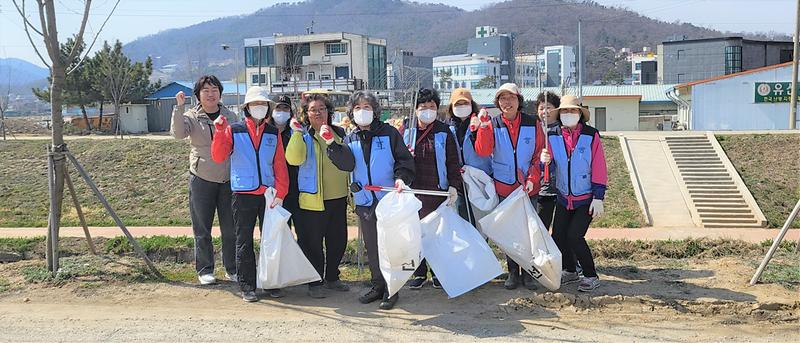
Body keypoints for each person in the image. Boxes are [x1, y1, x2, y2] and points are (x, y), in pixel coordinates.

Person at [327, 90, 415, 310]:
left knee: (389, 246)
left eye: (366, 107)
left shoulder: (389, 134)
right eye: (357, 108)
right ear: (351, 113)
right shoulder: (351, 138)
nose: (362, 111)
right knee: (373, 246)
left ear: (375, 111)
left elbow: (403, 160)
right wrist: (331, 145)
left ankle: (391, 289)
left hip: (388, 199)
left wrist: (401, 178)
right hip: (365, 201)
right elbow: (346, 164)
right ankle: (377, 285)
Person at [210, 86, 289, 302]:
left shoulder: (273, 133)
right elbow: (218, 156)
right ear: (247, 107)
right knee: (243, 240)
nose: (259, 107)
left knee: (271, 240)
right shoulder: (233, 130)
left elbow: (279, 164)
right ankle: (247, 286)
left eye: (263, 104)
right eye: (255, 104)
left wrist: (281, 192)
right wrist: (219, 133)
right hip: (243, 193)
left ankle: (271, 283)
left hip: (269, 194)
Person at [474, 83, 545, 291]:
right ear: (498, 102)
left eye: (511, 98)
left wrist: (533, 177)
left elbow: (539, 155)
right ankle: (513, 272)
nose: (507, 102)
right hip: (504, 188)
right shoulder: (493, 124)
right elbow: (483, 151)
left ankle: (529, 272)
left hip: (528, 188)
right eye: (502, 98)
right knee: (510, 233)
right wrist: (483, 127)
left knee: (529, 232)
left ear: (518, 100)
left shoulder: (533, 123)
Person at [170, 75, 238, 286]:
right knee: (202, 227)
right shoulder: (191, 116)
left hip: (228, 178)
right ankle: (205, 269)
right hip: (201, 177)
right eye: (206, 90)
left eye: (214, 90)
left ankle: (232, 268)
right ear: (198, 95)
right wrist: (179, 108)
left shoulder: (231, 116)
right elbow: (178, 134)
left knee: (230, 228)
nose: (210, 94)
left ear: (220, 93)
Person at [285, 93, 351, 299]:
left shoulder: (340, 133)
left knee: (338, 241)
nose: (318, 113)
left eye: (322, 108)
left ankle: (332, 277)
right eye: (313, 109)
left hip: (338, 198)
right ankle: (314, 281)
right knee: (312, 243)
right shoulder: (303, 135)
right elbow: (294, 159)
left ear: (328, 111)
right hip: (312, 200)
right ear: (306, 114)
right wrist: (297, 133)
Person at [540, 95, 608, 292]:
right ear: (559, 114)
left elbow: (599, 165)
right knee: (558, 236)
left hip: (586, 198)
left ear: (580, 113)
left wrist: (598, 196)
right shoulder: (552, 135)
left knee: (575, 236)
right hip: (563, 197)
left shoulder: (591, 135)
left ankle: (591, 275)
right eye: (565, 111)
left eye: (573, 110)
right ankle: (570, 270)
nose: (568, 114)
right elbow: (549, 168)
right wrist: (544, 162)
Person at [401, 88, 463, 290]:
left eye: (432, 106)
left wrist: (453, 185)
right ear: (415, 109)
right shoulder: (406, 130)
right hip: (414, 191)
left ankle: (438, 272)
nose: (428, 110)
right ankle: (419, 272)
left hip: (437, 191)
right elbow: (398, 158)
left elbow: (453, 161)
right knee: (416, 234)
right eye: (423, 107)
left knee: (438, 234)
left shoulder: (444, 131)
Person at [444, 88, 493, 223]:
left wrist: (479, 128)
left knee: (482, 217)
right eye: (458, 104)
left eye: (465, 103)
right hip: (459, 179)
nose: (462, 107)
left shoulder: (482, 121)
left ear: (472, 104)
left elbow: (486, 148)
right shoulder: (447, 126)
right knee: (463, 217)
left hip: (481, 177)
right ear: (451, 106)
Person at [271, 95, 300, 228]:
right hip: (274, 188)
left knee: (303, 231)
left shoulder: (296, 131)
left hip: (296, 187)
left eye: (285, 108)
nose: (281, 112)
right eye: (278, 108)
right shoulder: (267, 132)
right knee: (280, 231)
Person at [535, 92, 561, 232]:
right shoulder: (534, 129)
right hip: (542, 190)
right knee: (541, 229)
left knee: (560, 232)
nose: (545, 111)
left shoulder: (563, 130)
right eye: (541, 108)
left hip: (562, 190)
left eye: (549, 107)